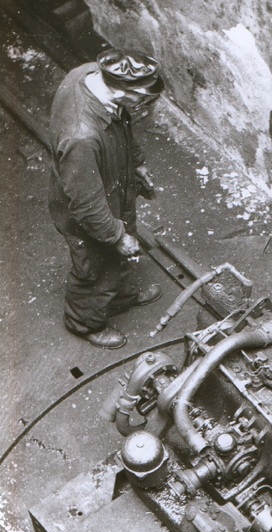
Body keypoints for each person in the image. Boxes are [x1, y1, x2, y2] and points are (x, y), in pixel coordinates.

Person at [48, 49, 165, 349]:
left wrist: (136, 162)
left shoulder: (90, 74)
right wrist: (116, 236)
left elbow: (120, 122)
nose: (144, 106)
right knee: (93, 266)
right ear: (121, 88)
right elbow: (86, 205)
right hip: (88, 211)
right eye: (142, 98)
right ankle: (84, 322)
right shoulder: (81, 136)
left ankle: (121, 296)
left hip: (111, 183)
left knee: (121, 250)